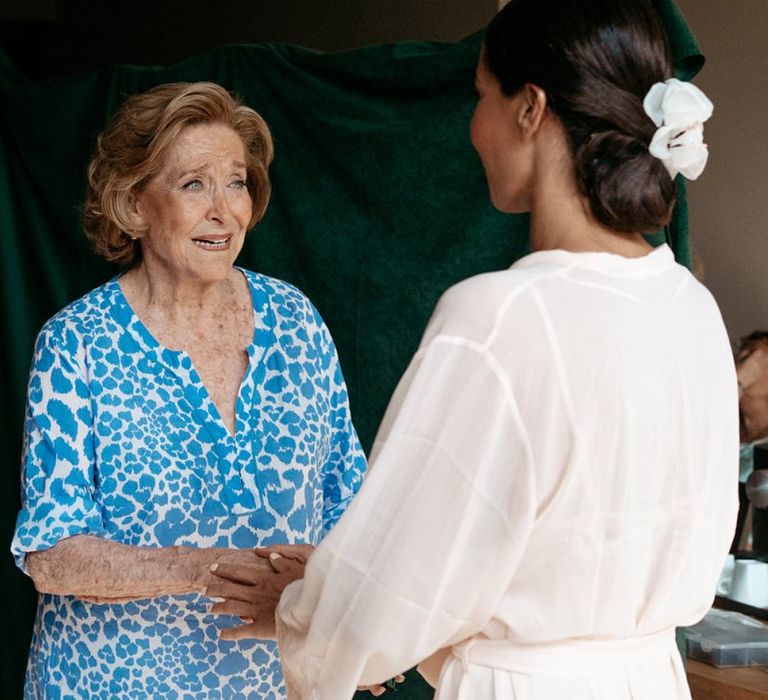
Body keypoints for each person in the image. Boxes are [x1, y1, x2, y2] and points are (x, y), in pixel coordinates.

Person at [208, 0, 739, 698]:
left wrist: (307, 609)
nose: (474, 127)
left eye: (482, 96)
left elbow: (386, 601)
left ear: (531, 109)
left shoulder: (499, 318)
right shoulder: (691, 308)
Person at [10, 81, 366, 699]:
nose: (223, 209)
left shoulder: (297, 322)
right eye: (193, 183)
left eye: (237, 182)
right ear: (132, 205)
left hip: (272, 687)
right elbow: (53, 553)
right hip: (111, 684)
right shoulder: (77, 344)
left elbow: (350, 505)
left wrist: (361, 626)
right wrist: (222, 570)